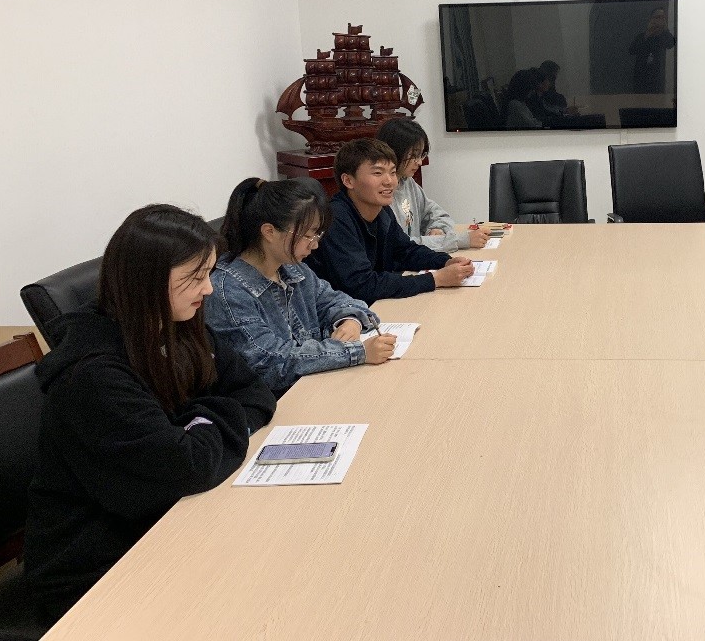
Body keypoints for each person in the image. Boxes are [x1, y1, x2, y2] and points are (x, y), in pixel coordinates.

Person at [24, 205, 277, 623]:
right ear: (146, 282)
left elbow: (254, 390)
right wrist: (209, 424)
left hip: (164, 521)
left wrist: (197, 423)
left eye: (209, 273)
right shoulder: (92, 375)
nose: (208, 289)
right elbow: (186, 466)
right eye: (194, 277)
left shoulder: (176, 324)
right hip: (95, 567)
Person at [207, 178, 394, 396]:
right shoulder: (228, 291)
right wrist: (357, 352)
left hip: (315, 389)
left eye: (317, 234)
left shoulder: (294, 270)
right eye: (308, 235)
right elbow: (271, 363)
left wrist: (351, 320)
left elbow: (338, 300)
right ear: (269, 232)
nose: (315, 244)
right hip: (278, 403)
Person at [308, 139, 474, 304]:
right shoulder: (335, 218)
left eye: (393, 172)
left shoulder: (382, 210)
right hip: (344, 312)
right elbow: (361, 285)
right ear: (348, 181)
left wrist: (445, 261)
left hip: (377, 305)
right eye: (378, 173)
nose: (389, 181)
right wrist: (435, 279)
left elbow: (405, 251)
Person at [376, 116, 490, 252]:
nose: (419, 162)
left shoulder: (407, 182)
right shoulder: (380, 193)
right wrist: (460, 240)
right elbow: (399, 246)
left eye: (421, 155)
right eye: (413, 155)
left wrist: (437, 229)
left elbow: (437, 214)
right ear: (394, 152)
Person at [628, 6, 676, 93]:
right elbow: (631, 50)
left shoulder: (664, 36)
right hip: (640, 79)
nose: (659, 20)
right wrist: (647, 34)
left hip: (658, 79)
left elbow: (671, 44)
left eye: (662, 18)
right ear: (651, 19)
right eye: (657, 17)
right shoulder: (641, 36)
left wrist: (665, 29)